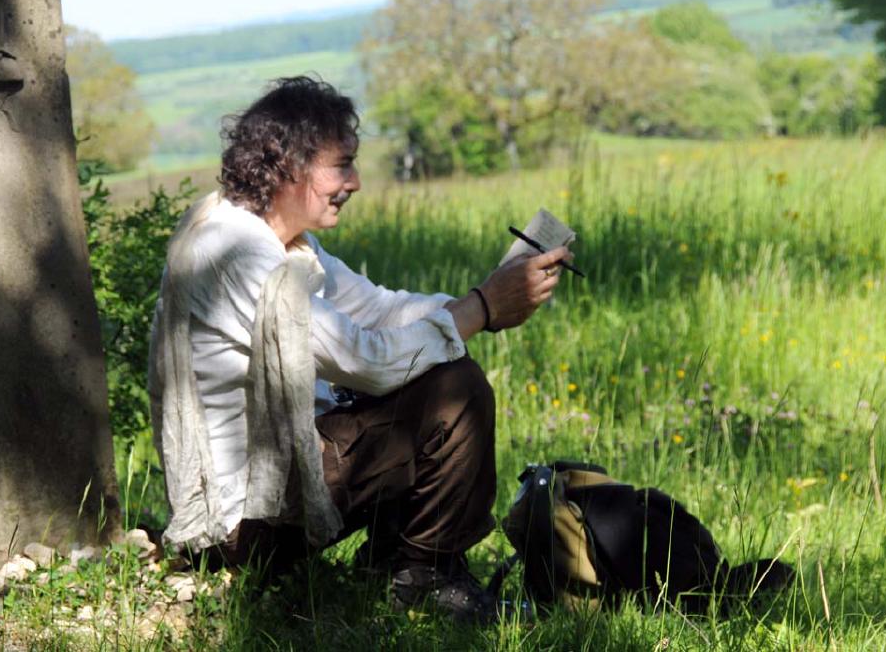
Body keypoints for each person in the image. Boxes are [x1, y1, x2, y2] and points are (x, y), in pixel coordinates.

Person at [148, 76, 570, 620]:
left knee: (434, 361)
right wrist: (483, 308)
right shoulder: (236, 252)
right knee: (452, 388)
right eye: (342, 164)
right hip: (239, 526)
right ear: (290, 164)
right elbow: (368, 361)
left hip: (266, 499)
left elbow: (379, 309)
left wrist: (485, 297)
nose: (357, 181)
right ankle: (425, 577)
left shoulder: (281, 241)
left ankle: (395, 566)